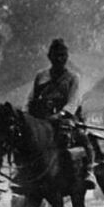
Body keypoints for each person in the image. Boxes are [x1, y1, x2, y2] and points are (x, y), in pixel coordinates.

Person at [25, 38, 94, 190]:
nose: (60, 58)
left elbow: (73, 101)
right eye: (56, 55)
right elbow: (31, 99)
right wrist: (27, 116)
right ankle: (24, 175)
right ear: (49, 56)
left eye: (63, 55)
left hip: (64, 119)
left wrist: (59, 115)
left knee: (81, 138)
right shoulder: (40, 76)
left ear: (67, 57)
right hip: (41, 119)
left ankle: (88, 171)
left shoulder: (73, 78)